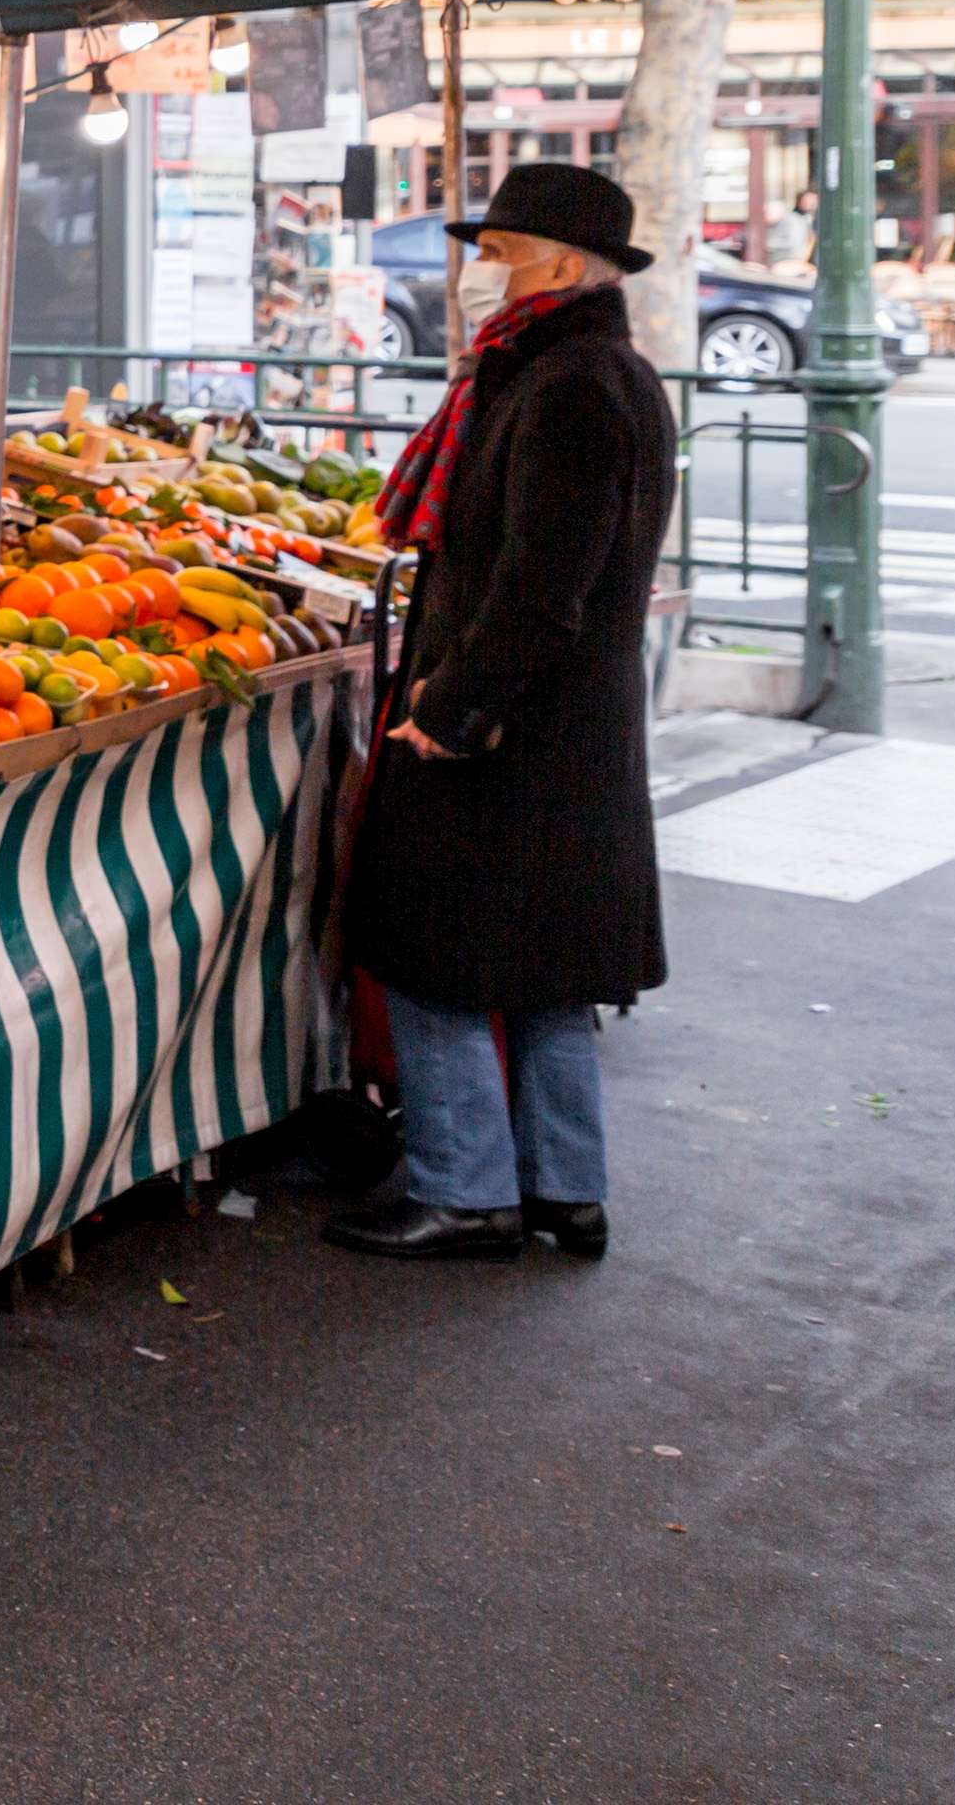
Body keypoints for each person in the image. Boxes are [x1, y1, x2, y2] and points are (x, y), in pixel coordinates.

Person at [330, 162, 674, 1265]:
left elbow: (543, 583)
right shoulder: (591, 372)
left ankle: (464, 1186)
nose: (479, 274)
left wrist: (454, 706)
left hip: (511, 729)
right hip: (565, 732)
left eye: (499, 253)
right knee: (547, 971)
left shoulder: (568, 387)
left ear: (561, 269)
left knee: (436, 953)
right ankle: (564, 1188)